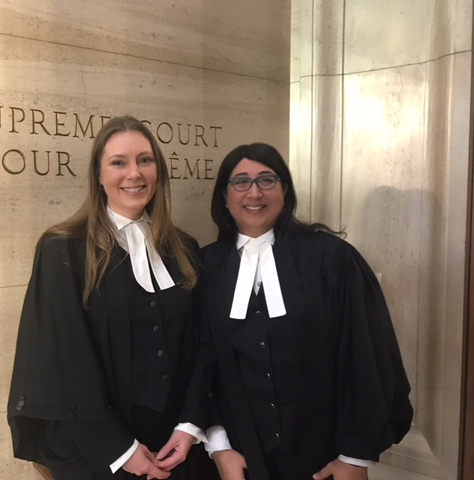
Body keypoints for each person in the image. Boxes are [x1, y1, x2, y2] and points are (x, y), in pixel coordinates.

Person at [156, 143, 413, 480]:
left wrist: (355, 457)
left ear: (285, 190)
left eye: (267, 180)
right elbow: (201, 365)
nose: (254, 192)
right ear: (224, 195)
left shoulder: (332, 260)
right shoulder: (207, 267)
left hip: (326, 458)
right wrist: (219, 446)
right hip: (242, 459)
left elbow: (365, 357)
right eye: (241, 182)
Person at [7, 116, 212, 479]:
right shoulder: (63, 250)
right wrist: (120, 449)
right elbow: (62, 361)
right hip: (101, 453)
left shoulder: (184, 250)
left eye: (145, 160)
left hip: (177, 449)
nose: (134, 173)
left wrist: (190, 425)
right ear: (99, 176)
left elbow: (202, 345)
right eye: (119, 162)